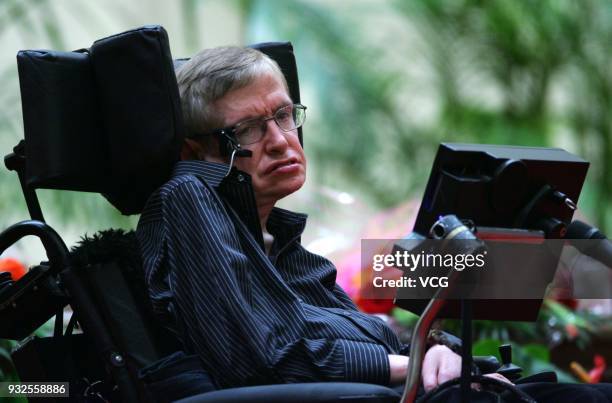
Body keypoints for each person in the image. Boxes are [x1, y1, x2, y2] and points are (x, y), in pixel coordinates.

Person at [137, 46, 612, 402]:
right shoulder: (188, 197)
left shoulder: (280, 239)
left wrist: (439, 349)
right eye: (246, 130)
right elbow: (263, 360)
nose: (282, 141)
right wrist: (412, 364)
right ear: (196, 153)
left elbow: (369, 333)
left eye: (283, 115)